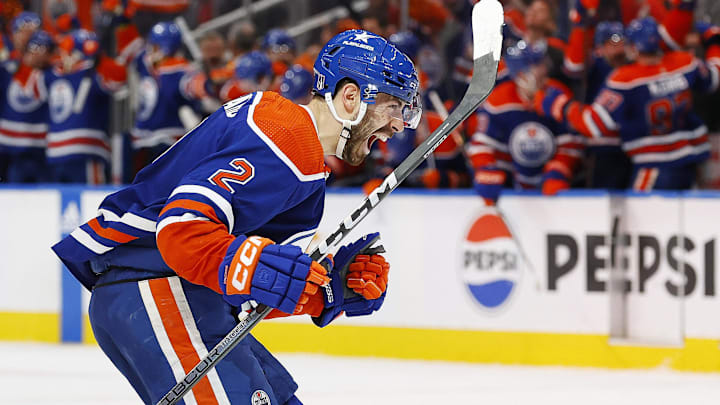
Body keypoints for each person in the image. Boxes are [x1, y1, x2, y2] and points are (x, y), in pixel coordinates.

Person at [52, 29, 420, 405]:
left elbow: (241, 286)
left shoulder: (302, 160)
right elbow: (181, 231)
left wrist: (326, 290)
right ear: (351, 96)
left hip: (176, 297)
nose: (399, 125)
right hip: (155, 290)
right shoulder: (285, 136)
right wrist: (254, 264)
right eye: (393, 108)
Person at [536, 17, 720, 190]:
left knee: (641, 223)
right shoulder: (684, 61)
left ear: (633, 47)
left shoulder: (627, 78)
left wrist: (554, 102)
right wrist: (714, 40)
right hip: (693, 161)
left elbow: (593, 123)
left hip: (654, 165)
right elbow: (714, 77)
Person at [468, 41, 584, 204]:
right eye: (538, 65)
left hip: (551, 190)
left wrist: (558, 171)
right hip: (511, 189)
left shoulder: (556, 93)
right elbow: (481, 143)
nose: (545, 70)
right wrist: (486, 169)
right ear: (522, 75)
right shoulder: (498, 100)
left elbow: (572, 141)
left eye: (543, 63)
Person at [42, 29, 127, 184]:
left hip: (87, 153)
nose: (63, 56)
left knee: (91, 204)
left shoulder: (93, 73)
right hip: (55, 154)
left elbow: (119, 78)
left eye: (67, 52)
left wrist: (100, 59)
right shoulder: (51, 74)